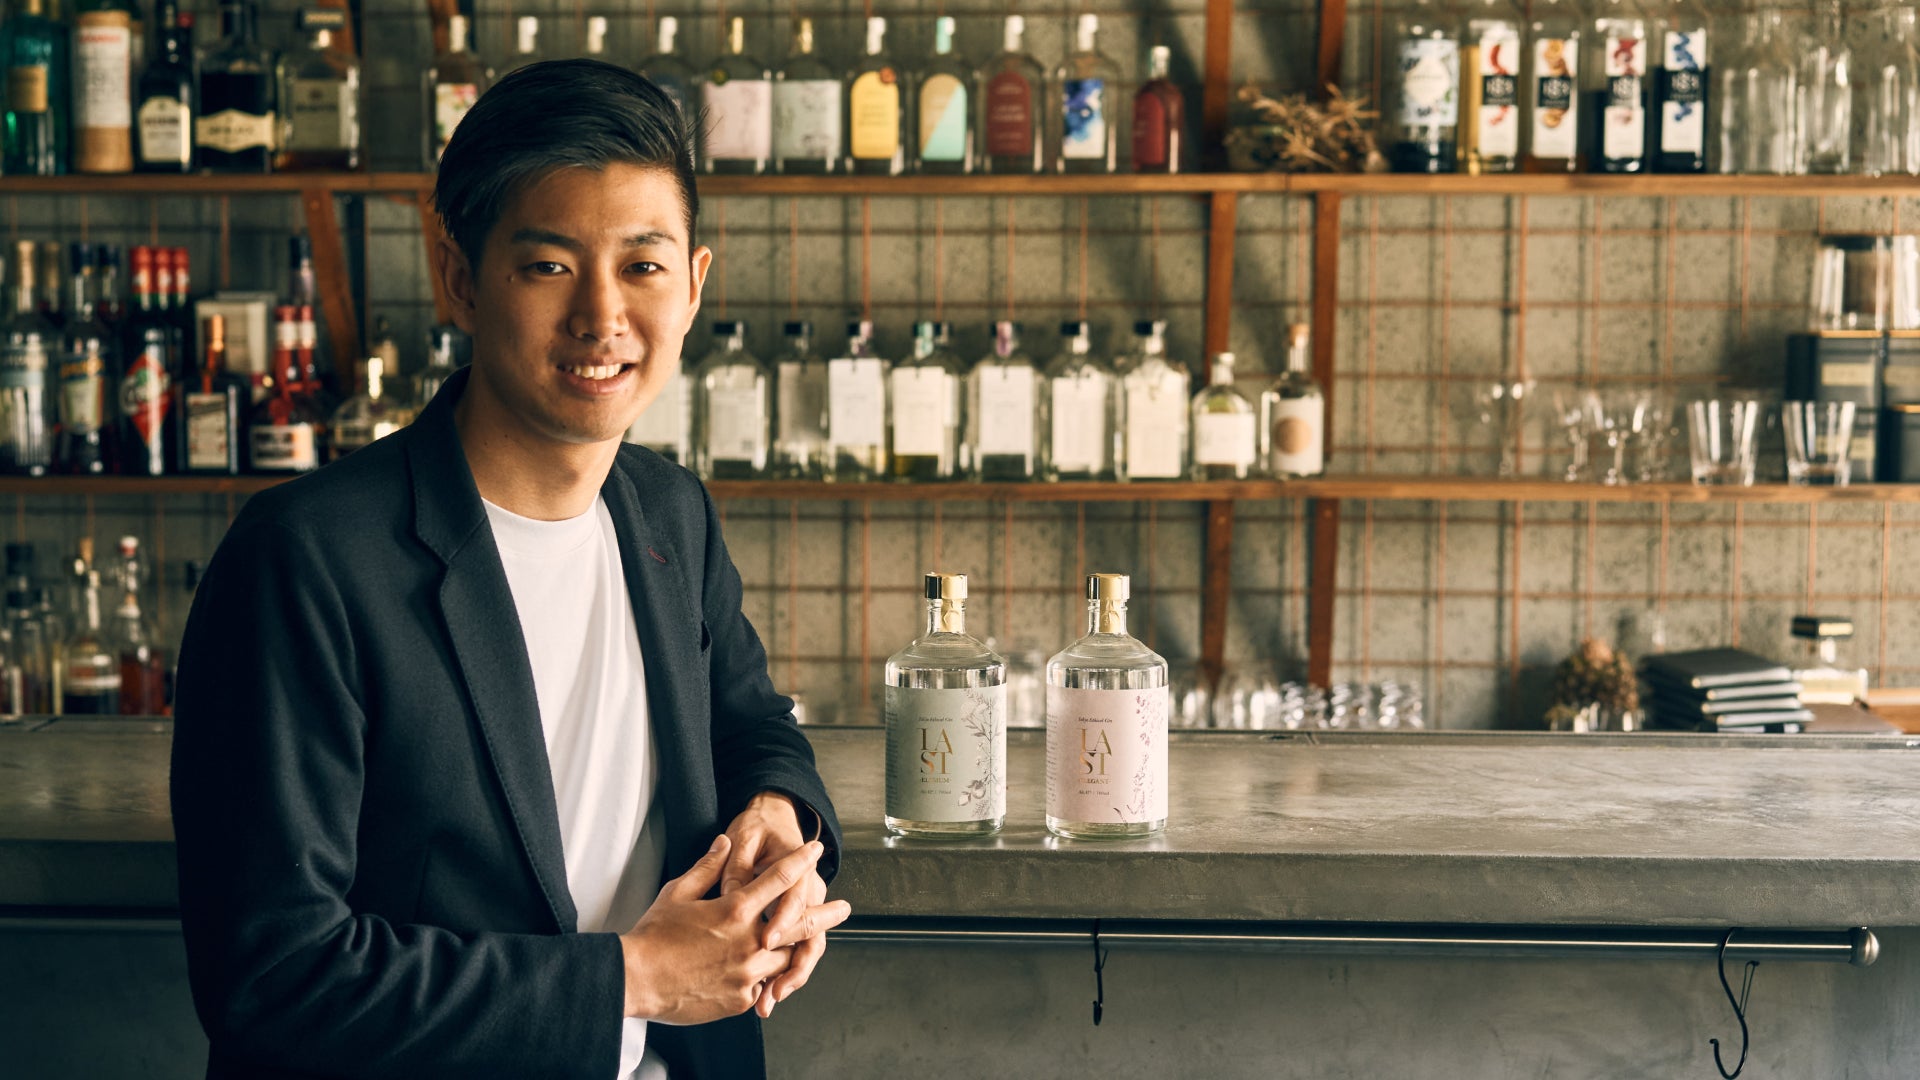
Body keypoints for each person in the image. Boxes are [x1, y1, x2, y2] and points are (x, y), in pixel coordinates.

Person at [170, 59, 848, 1080]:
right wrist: (635, 979)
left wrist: (775, 818)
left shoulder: (670, 513)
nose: (602, 316)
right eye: (548, 265)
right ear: (459, 277)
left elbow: (750, 723)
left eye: (644, 265)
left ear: (697, 284)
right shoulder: (305, 559)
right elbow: (272, 975)